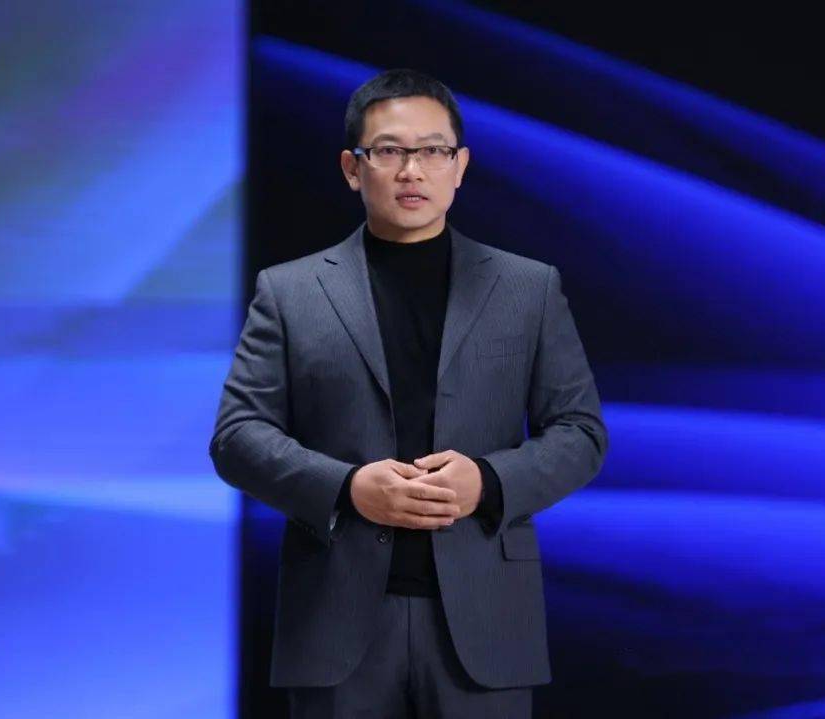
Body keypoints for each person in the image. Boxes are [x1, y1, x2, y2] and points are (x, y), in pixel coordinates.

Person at [209, 68, 609, 719]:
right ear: (352, 168)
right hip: (337, 623)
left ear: (460, 166)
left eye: (433, 151)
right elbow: (236, 437)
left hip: (484, 620)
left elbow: (581, 432)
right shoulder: (290, 291)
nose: (412, 170)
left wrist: (487, 481)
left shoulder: (527, 288)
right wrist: (347, 487)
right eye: (390, 150)